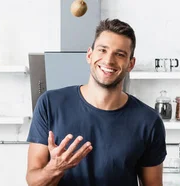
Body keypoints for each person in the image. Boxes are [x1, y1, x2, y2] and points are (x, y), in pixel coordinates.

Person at [25, 18, 167, 186]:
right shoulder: (50, 104)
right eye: (102, 50)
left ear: (131, 64)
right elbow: (33, 181)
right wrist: (56, 167)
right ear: (90, 55)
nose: (109, 60)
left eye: (120, 54)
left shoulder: (148, 121)